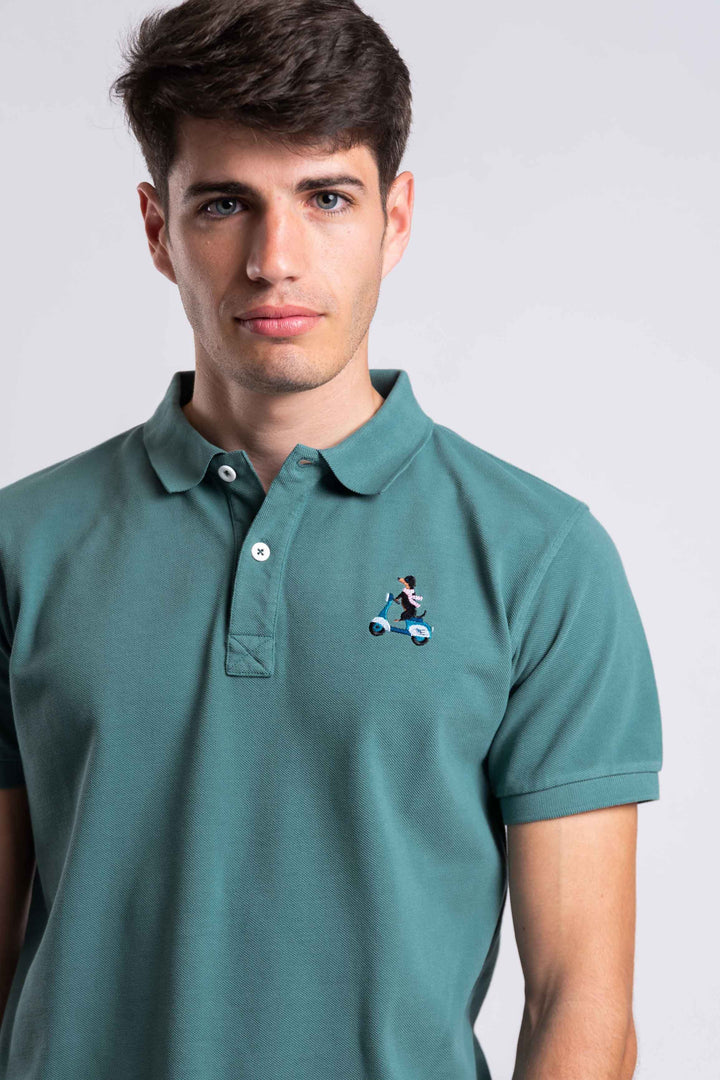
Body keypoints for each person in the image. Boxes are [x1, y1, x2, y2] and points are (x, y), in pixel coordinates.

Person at [0, 1, 663, 1078]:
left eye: (327, 198)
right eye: (225, 203)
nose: (276, 259)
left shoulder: (541, 560)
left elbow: (580, 1004)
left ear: (395, 219)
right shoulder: (21, 547)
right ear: (158, 228)